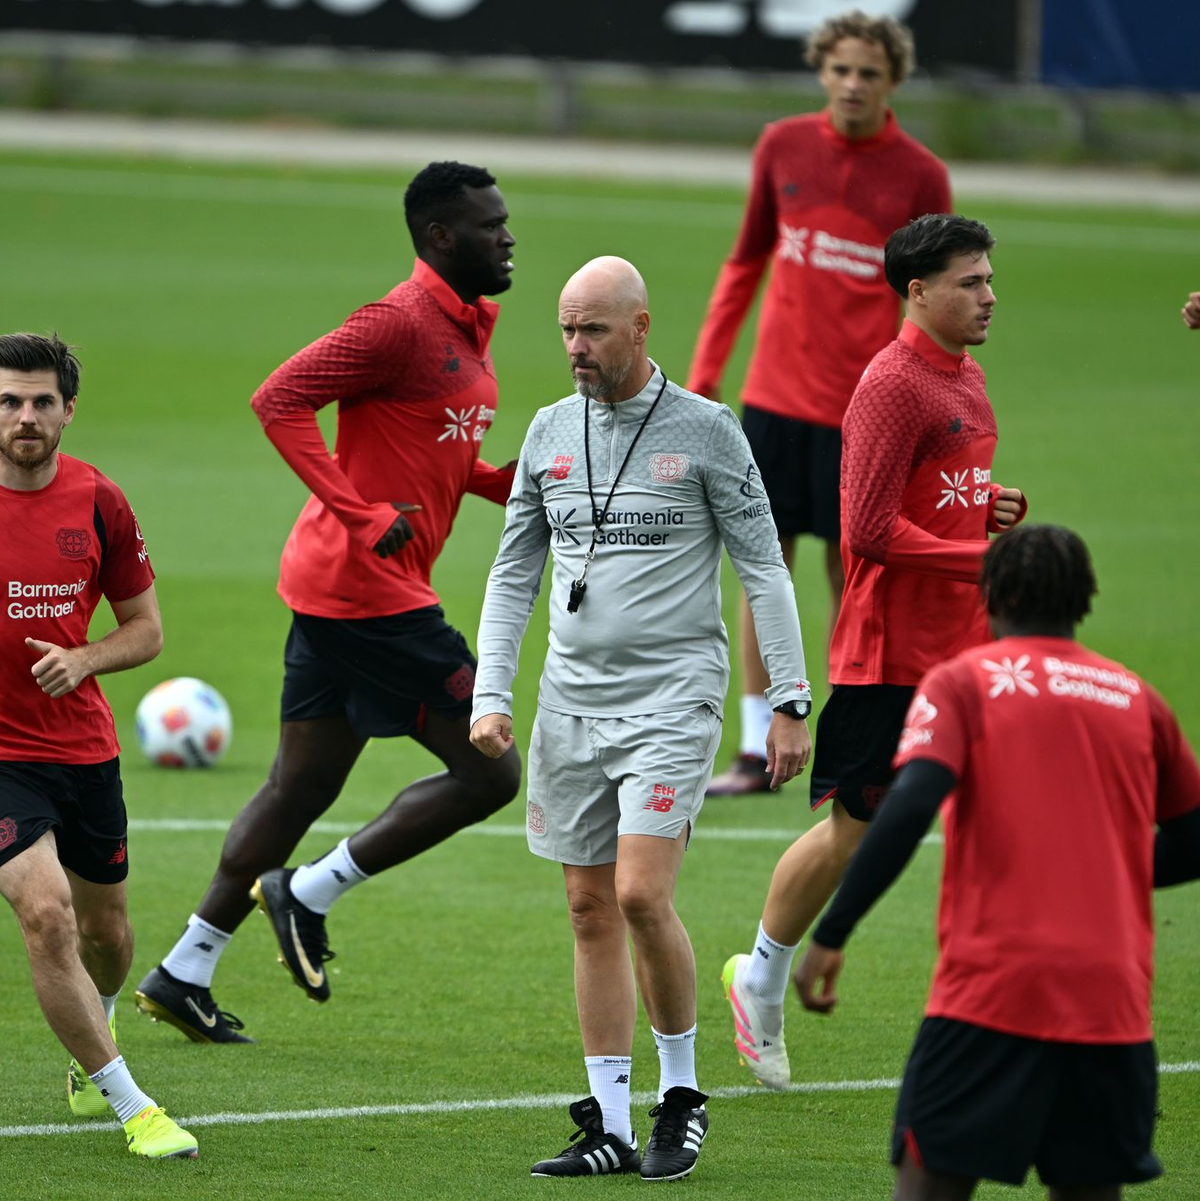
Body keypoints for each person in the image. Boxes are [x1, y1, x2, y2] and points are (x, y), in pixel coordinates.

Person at [135, 161, 521, 1043]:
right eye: (490, 225)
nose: (508, 237)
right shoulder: (399, 323)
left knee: (299, 785)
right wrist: (359, 511)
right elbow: (279, 399)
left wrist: (532, 488)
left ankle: (183, 969)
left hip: (336, 589)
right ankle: (308, 890)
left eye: (507, 222)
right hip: (368, 591)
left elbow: (445, 456)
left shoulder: (472, 322)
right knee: (491, 771)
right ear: (439, 238)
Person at [469, 256, 812, 1181]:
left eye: (595, 330)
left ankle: (683, 1095)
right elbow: (513, 575)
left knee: (638, 893)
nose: (577, 348)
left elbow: (764, 566)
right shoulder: (547, 431)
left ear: (642, 325)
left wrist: (787, 700)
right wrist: (490, 693)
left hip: (672, 696)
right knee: (586, 905)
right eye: (566, 329)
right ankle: (611, 1122)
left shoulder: (706, 431)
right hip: (570, 702)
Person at [796, 524, 1200, 1200]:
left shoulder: (964, 683)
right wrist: (1107, 869)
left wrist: (831, 934)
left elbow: (912, 799)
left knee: (930, 1186)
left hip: (991, 995)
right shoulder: (1137, 698)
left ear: (986, 592)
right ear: (1085, 598)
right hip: (1111, 1007)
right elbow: (1192, 838)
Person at [720, 213, 1027, 1091]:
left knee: (995, 813)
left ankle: (1000, 1006)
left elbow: (931, 490)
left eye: (989, 279)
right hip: (889, 654)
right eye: (970, 282)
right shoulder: (892, 383)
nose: (989, 296)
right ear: (918, 290)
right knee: (855, 832)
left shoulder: (964, 375)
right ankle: (762, 977)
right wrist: (980, 556)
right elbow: (867, 528)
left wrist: (985, 504)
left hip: (963, 648)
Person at [688, 9, 952, 796]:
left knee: (858, 577)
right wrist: (707, 370)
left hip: (863, 413)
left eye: (869, 73)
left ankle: (852, 738)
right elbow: (745, 261)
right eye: (840, 69)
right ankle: (752, 749)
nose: (852, 85)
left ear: (892, 81)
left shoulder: (919, 174)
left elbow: (934, 297)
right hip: (772, 400)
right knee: (762, 571)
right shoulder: (783, 147)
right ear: (820, 71)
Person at [0, 332, 197, 1159]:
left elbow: (147, 629)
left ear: (68, 410)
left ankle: (98, 1015)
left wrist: (85, 657)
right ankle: (135, 1107)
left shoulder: (96, 500)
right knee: (45, 914)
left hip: (82, 749)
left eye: (42, 400)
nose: (25, 416)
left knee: (104, 935)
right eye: (9, 400)